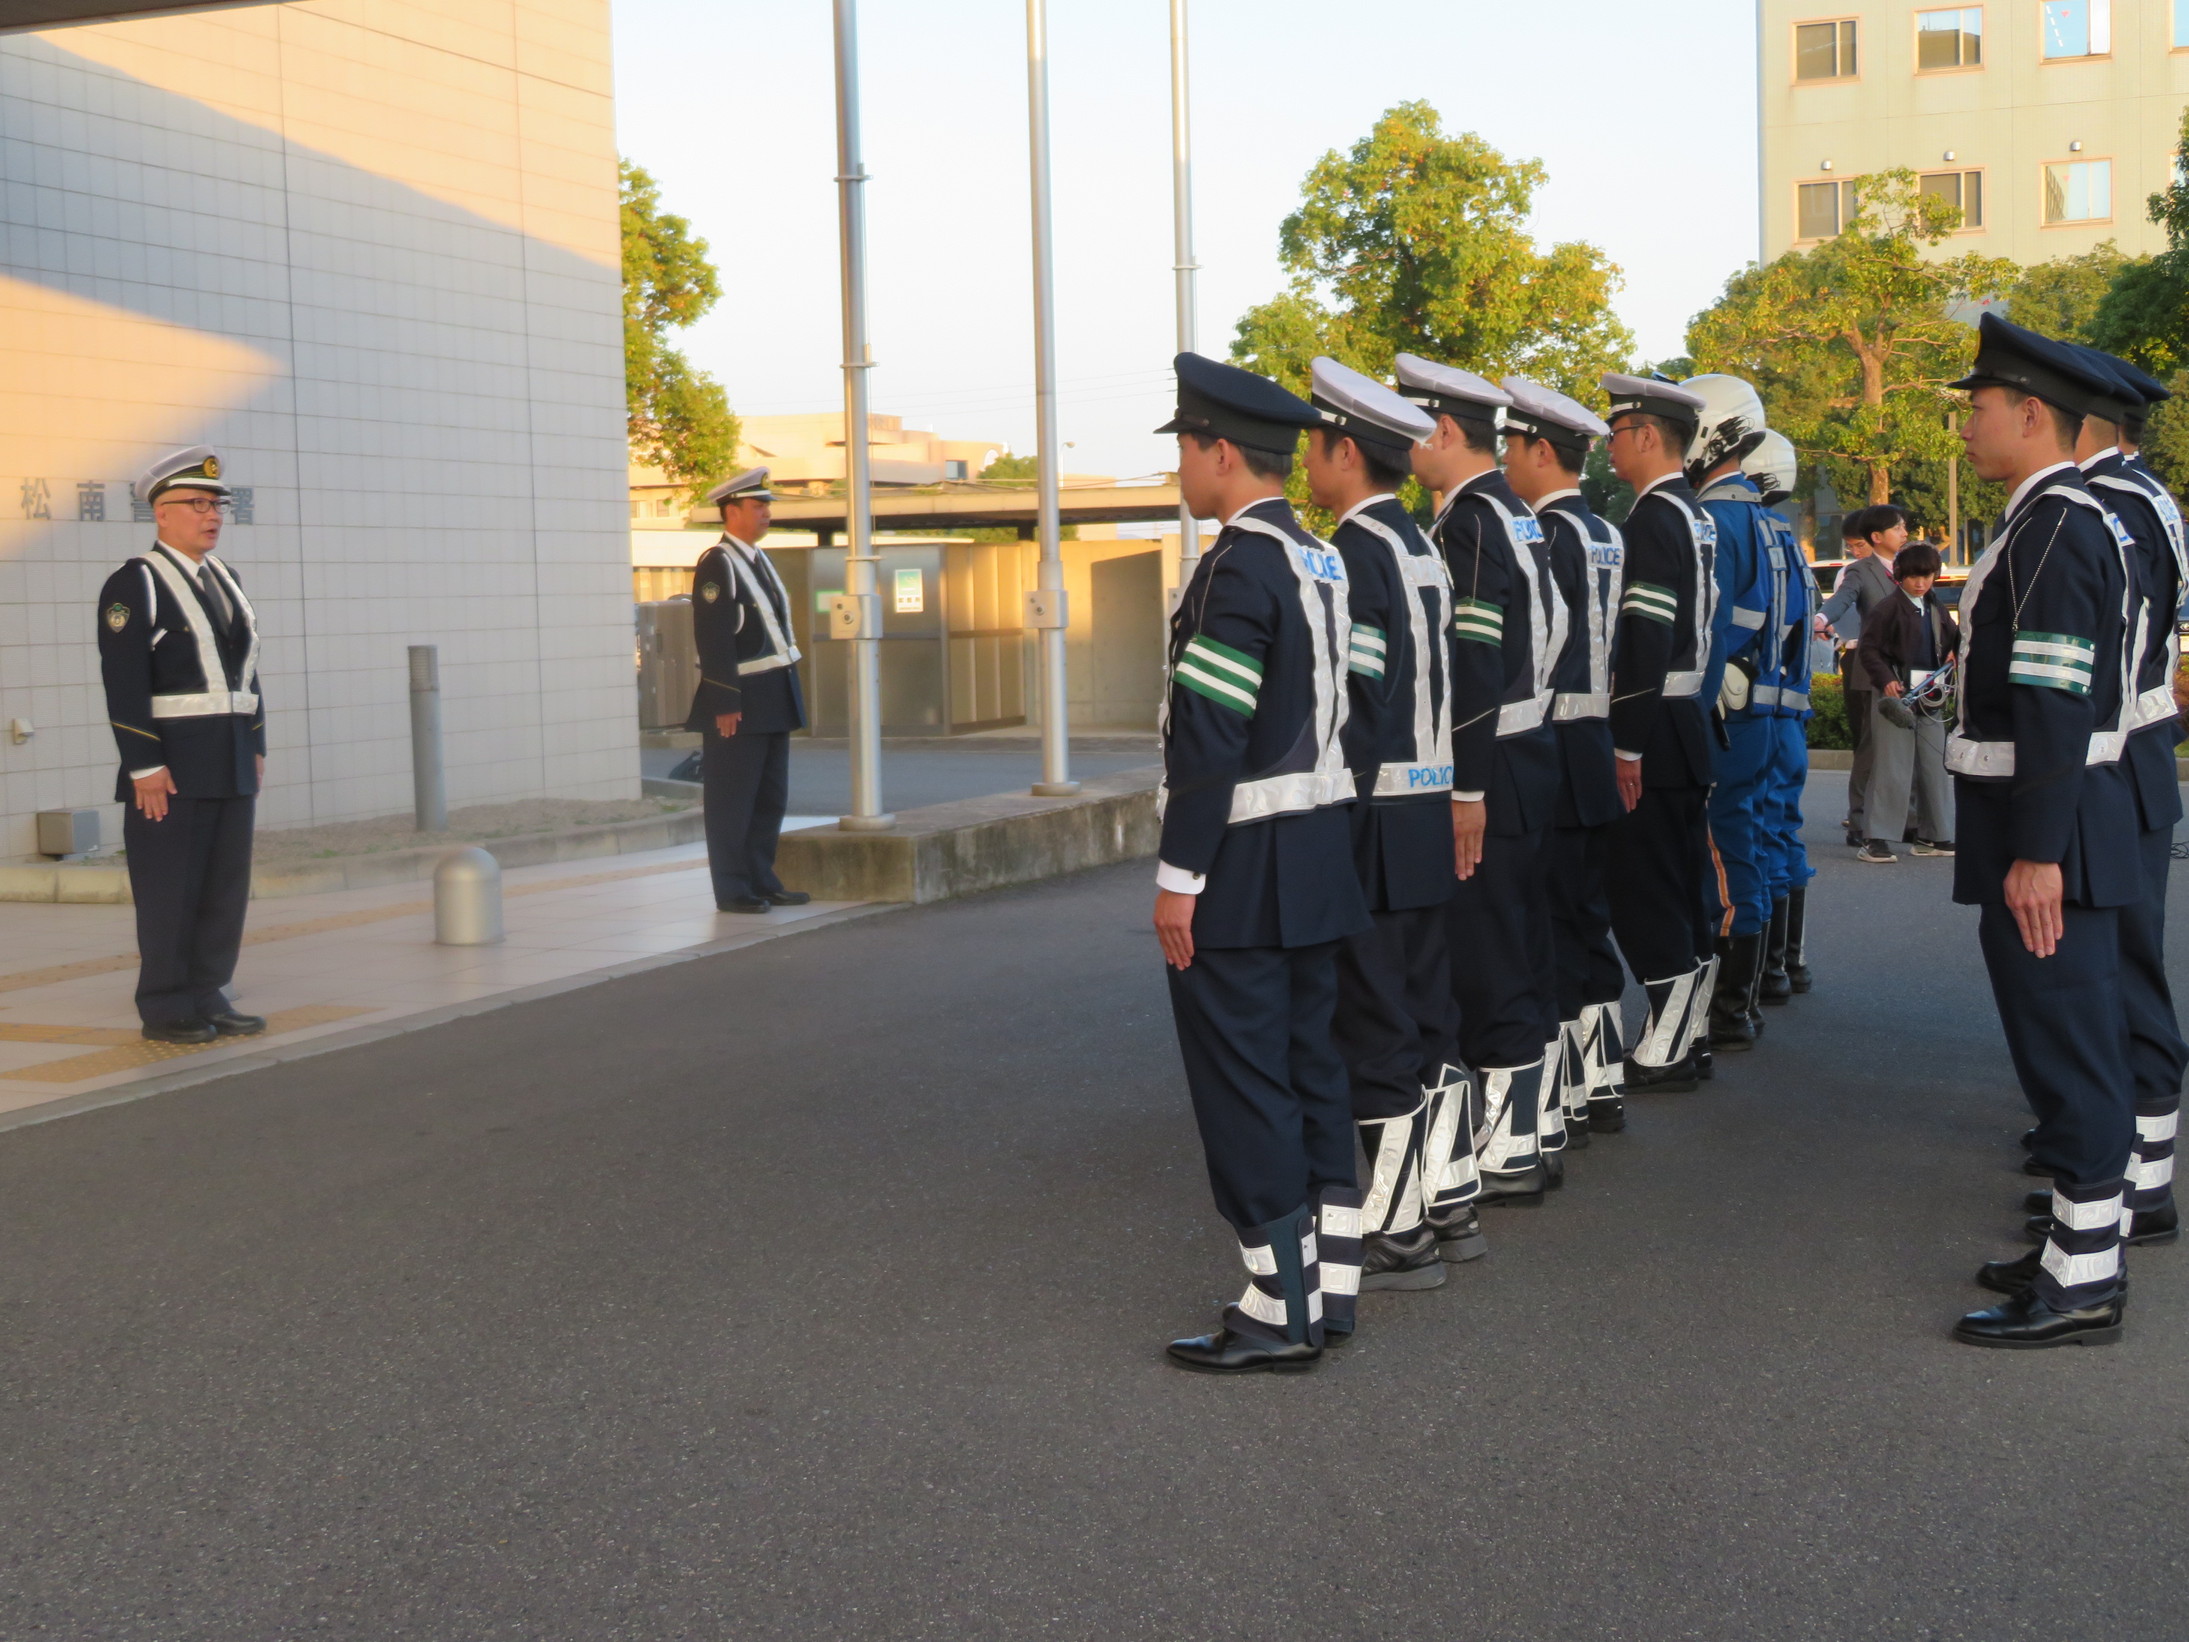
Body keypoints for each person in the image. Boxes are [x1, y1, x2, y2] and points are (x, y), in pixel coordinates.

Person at [1151, 352, 1369, 1374]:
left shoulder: (1236, 564)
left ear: (1220, 451)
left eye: (1184, 450)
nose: (1179, 469)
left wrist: (1177, 875)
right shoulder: (1321, 559)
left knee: (1242, 1082)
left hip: (1242, 860)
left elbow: (1210, 729)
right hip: (1319, 854)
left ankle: (1275, 1308)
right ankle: (1327, 1286)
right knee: (1310, 1067)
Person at [1944, 312, 2142, 1349]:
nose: (1963, 428)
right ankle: (2076, 1249)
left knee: (2069, 1052)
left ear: (2029, 414)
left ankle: (2082, 1284)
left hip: (2044, 839)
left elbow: (2057, 707)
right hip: (2039, 830)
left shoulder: (2055, 527)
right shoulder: (2047, 519)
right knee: (2062, 1044)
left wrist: (2034, 853)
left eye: (1976, 409)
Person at [1304, 357, 1467, 1284]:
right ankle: (1447, 1197)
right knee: (1424, 1014)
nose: (1307, 463)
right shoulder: (1418, 543)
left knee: (1371, 1023)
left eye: (1313, 447)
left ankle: (1395, 1227)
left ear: (1342, 452)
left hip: (1370, 813)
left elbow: (1354, 702)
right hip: (1426, 806)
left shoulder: (1354, 554)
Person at [1397, 355, 1564, 1211]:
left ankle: (1504, 1152)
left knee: (1490, 962)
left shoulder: (1468, 522)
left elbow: (1472, 663)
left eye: (1411, 428)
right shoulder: (1517, 513)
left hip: (1489, 773)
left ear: (1443, 431)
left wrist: (1463, 790)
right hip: (1529, 762)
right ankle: (1531, 1135)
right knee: (1523, 955)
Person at [2062, 347, 2186, 1247]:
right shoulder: (2141, 497)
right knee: (2114, 969)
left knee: (2122, 971)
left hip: (2120, 758)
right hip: (2137, 752)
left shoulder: (2114, 506)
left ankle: (2139, 1182)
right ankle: (2121, 1165)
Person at [96, 446, 267, 1045]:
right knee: (171, 888)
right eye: (196, 503)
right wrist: (143, 764)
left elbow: (246, 671)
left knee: (223, 886)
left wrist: (257, 741)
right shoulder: (134, 582)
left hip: (228, 757)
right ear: (161, 513)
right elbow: (123, 682)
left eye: (217, 503)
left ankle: (207, 992)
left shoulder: (227, 580)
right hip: (168, 766)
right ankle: (166, 1006)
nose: (212, 514)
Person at [1499, 376, 1630, 1140]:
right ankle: (1600, 1080)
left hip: (1553, 743)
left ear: (1540, 450)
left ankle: (1564, 1095)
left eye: (1511, 446)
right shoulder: (1607, 530)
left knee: (1551, 924)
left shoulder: (1545, 535)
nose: (1505, 461)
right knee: (1586, 917)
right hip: (1597, 740)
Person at [1597, 375, 1717, 1093]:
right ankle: (1687, 1031)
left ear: (1646, 435)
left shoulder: (1650, 518)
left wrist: (1625, 743)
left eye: (1616, 432)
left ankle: (1666, 1043)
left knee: (1641, 884)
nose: (1609, 444)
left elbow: (1644, 637)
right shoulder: (1691, 511)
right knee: (1678, 881)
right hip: (1687, 719)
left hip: (1655, 723)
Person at [1682, 374, 1777, 1052]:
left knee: (1723, 852)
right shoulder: (1764, 518)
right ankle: (1747, 993)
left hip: (1726, 711)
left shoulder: (1716, 517)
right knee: (1745, 843)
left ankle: (1727, 1007)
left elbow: (1720, 624)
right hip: (1761, 711)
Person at [685, 468, 811, 914]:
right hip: (740, 698)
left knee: (769, 797)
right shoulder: (717, 563)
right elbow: (713, 637)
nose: (767, 515)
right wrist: (724, 700)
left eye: (767, 507)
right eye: (759, 508)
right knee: (731, 801)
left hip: (774, 693)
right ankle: (734, 888)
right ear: (732, 511)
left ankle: (762, 877)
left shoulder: (759, 559)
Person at [1741, 432, 1817, 1004]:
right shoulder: (1787, 539)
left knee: (1753, 837)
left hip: (1756, 714)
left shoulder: (1749, 534)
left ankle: (1760, 975)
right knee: (1781, 834)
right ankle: (1784, 965)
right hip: (1789, 713)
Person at [1853, 543, 1957, 864]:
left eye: (1926, 576)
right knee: (1892, 768)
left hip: (1929, 694)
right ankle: (1875, 839)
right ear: (1900, 575)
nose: (1920, 582)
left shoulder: (1935, 605)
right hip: (1895, 697)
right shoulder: (1886, 608)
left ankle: (1932, 835)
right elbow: (1869, 651)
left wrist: (1955, 652)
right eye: (1913, 576)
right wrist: (1885, 679)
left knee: (1934, 767)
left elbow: (1955, 639)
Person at [1819, 507, 1907, 846]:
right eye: (1898, 528)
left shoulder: (1908, 566)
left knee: (1903, 746)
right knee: (1870, 745)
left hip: (1906, 668)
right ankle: (1860, 821)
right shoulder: (1857, 572)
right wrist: (1822, 619)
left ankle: (1905, 818)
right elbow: (1840, 602)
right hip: (1865, 662)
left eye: (1904, 527)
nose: (1904, 533)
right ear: (1878, 537)